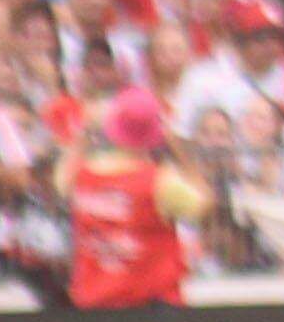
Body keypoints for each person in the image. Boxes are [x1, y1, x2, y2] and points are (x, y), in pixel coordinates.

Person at [57, 88, 211, 310]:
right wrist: (179, 151)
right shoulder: (161, 182)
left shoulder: (83, 175)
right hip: (151, 306)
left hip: (94, 306)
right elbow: (204, 202)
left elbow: (62, 178)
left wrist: (84, 131)